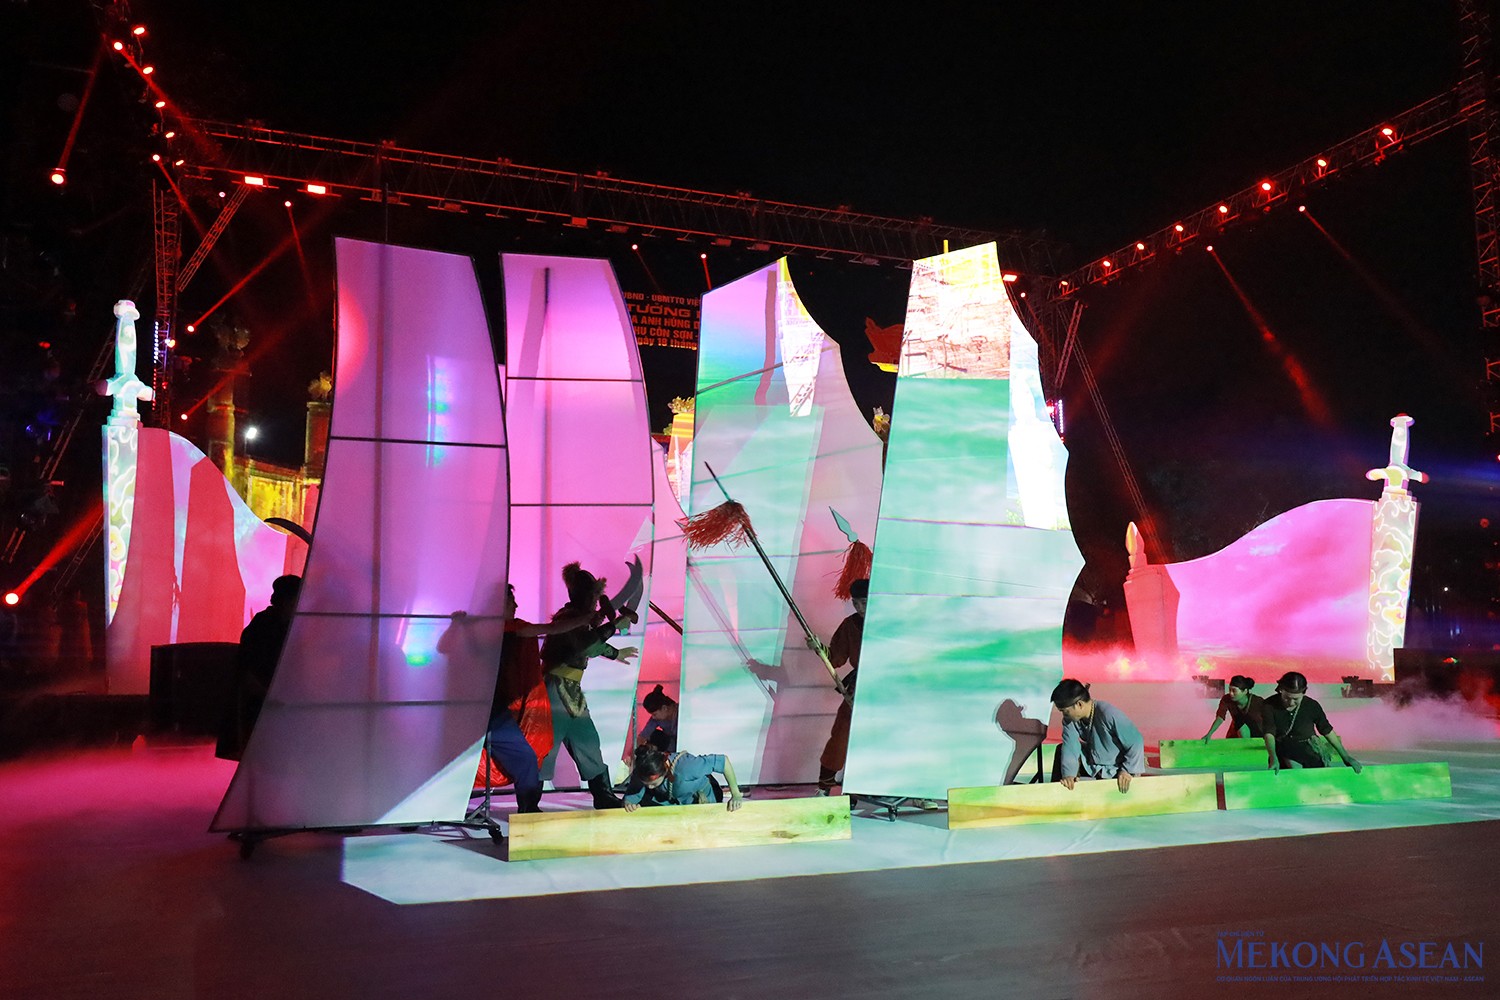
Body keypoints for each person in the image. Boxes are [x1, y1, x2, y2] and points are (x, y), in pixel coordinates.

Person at [443, 584, 596, 813]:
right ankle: (526, 810)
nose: (515, 605)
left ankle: (527, 810)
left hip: (485, 708)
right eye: (510, 601)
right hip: (479, 711)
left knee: (519, 759)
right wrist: (586, 619)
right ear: (499, 604)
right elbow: (552, 629)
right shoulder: (499, 628)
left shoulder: (491, 627)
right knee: (516, 759)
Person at [538, 562, 638, 809]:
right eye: (594, 597)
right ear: (587, 596)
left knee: (588, 741)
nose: (596, 602)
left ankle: (603, 796)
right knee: (546, 747)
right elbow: (586, 645)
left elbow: (590, 642)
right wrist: (614, 626)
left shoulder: (578, 620)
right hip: (554, 689)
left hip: (571, 690)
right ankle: (528, 802)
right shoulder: (568, 619)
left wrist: (616, 652)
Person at [222, 575, 302, 759]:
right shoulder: (263, 627)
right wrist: (270, 697)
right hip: (261, 707)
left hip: (277, 706)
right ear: (288, 600)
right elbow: (247, 673)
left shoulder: (287, 626)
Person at [812, 578, 866, 795]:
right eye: (855, 603)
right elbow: (836, 657)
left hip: (889, 687)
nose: (859, 608)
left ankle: (915, 792)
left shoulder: (890, 623)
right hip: (859, 687)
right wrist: (819, 648)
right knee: (842, 734)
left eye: (864, 602)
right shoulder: (850, 625)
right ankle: (824, 787)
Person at [1052, 678, 1145, 793]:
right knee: (1061, 750)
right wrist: (1068, 775)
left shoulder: (1108, 713)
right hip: (1093, 764)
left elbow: (1136, 741)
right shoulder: (1070, 720)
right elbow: (1070, 746)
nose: (1064, 715)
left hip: (1116, 767)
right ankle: (1057, 794)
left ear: (1079, 704)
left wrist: (1126, 770)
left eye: (1065, 711)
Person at [1262, 671, 1363, 773]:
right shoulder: (1269, 705)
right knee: (1292, 765)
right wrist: (1273, 757)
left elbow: (1326, 730)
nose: (1291, 703)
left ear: (1304, 692)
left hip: (1308, 748)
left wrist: (1345, 757)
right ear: (1281, 690)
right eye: (1287, 698)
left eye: (1296, 699)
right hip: (1283, 750)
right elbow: (1269, 732)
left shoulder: (1312, 706)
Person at [622, 744, 743, 812]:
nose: (649, 786)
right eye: (646, 783)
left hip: (699, 800)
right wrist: (629, 803)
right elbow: (632, 794)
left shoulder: (687, 767)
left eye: (653, 784)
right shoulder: (643, 769)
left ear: (664, 771)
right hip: (668, 802)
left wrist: (736, 794)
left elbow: (723, 761)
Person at [1200, 675, 1268, 742]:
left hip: (1258, 733)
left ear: (1245, 691)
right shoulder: (1226, 699)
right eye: (1230, 690)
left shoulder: (1257, 701)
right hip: (1238, 732)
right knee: (1240, 724)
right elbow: (1220, 717)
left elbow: (1268, 718)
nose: (1231, 693)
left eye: (1234, 691)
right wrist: (1209, 734)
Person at [637, 684, 678, 752]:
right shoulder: (656, 719)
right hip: (671, 746)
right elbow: (643, 736)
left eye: (654, 714)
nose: (653, 717)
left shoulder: (681, 711)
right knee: (654, 735)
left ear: (664, 708)